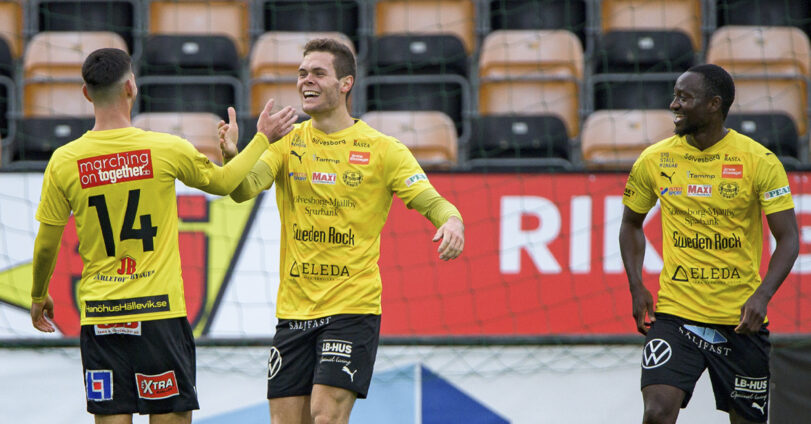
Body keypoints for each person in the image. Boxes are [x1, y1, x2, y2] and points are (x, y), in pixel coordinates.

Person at [29, 47, 298, 423]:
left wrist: (38, 295)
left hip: (102, 316)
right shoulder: (164, 147)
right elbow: (225, 184)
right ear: (131, 87)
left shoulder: (64, 161)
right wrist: (261, 139)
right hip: (159, 314)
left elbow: (47, 242)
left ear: (87, 93)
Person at [217, 38, 465, 424]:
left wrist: (452, 221)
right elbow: (241, 190)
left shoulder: (384, 150)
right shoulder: (286, 145)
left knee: (326, 415)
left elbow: (432, 202)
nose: (306, 80)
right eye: (302, 73)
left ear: (346, 83)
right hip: (294, 310)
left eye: (318, 73)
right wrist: (234, 154)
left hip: (351, 308)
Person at [619, 63, 799, 424]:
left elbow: (789, 237)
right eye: (675, 96)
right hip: (675, 315)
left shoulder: (759, 160)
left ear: (714, 104)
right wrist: (636, 286)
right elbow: (630, 224)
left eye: (684, 98)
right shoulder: (654, 159)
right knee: (656, 411)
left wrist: (762, 296)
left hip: (739, 321)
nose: (674, 105)